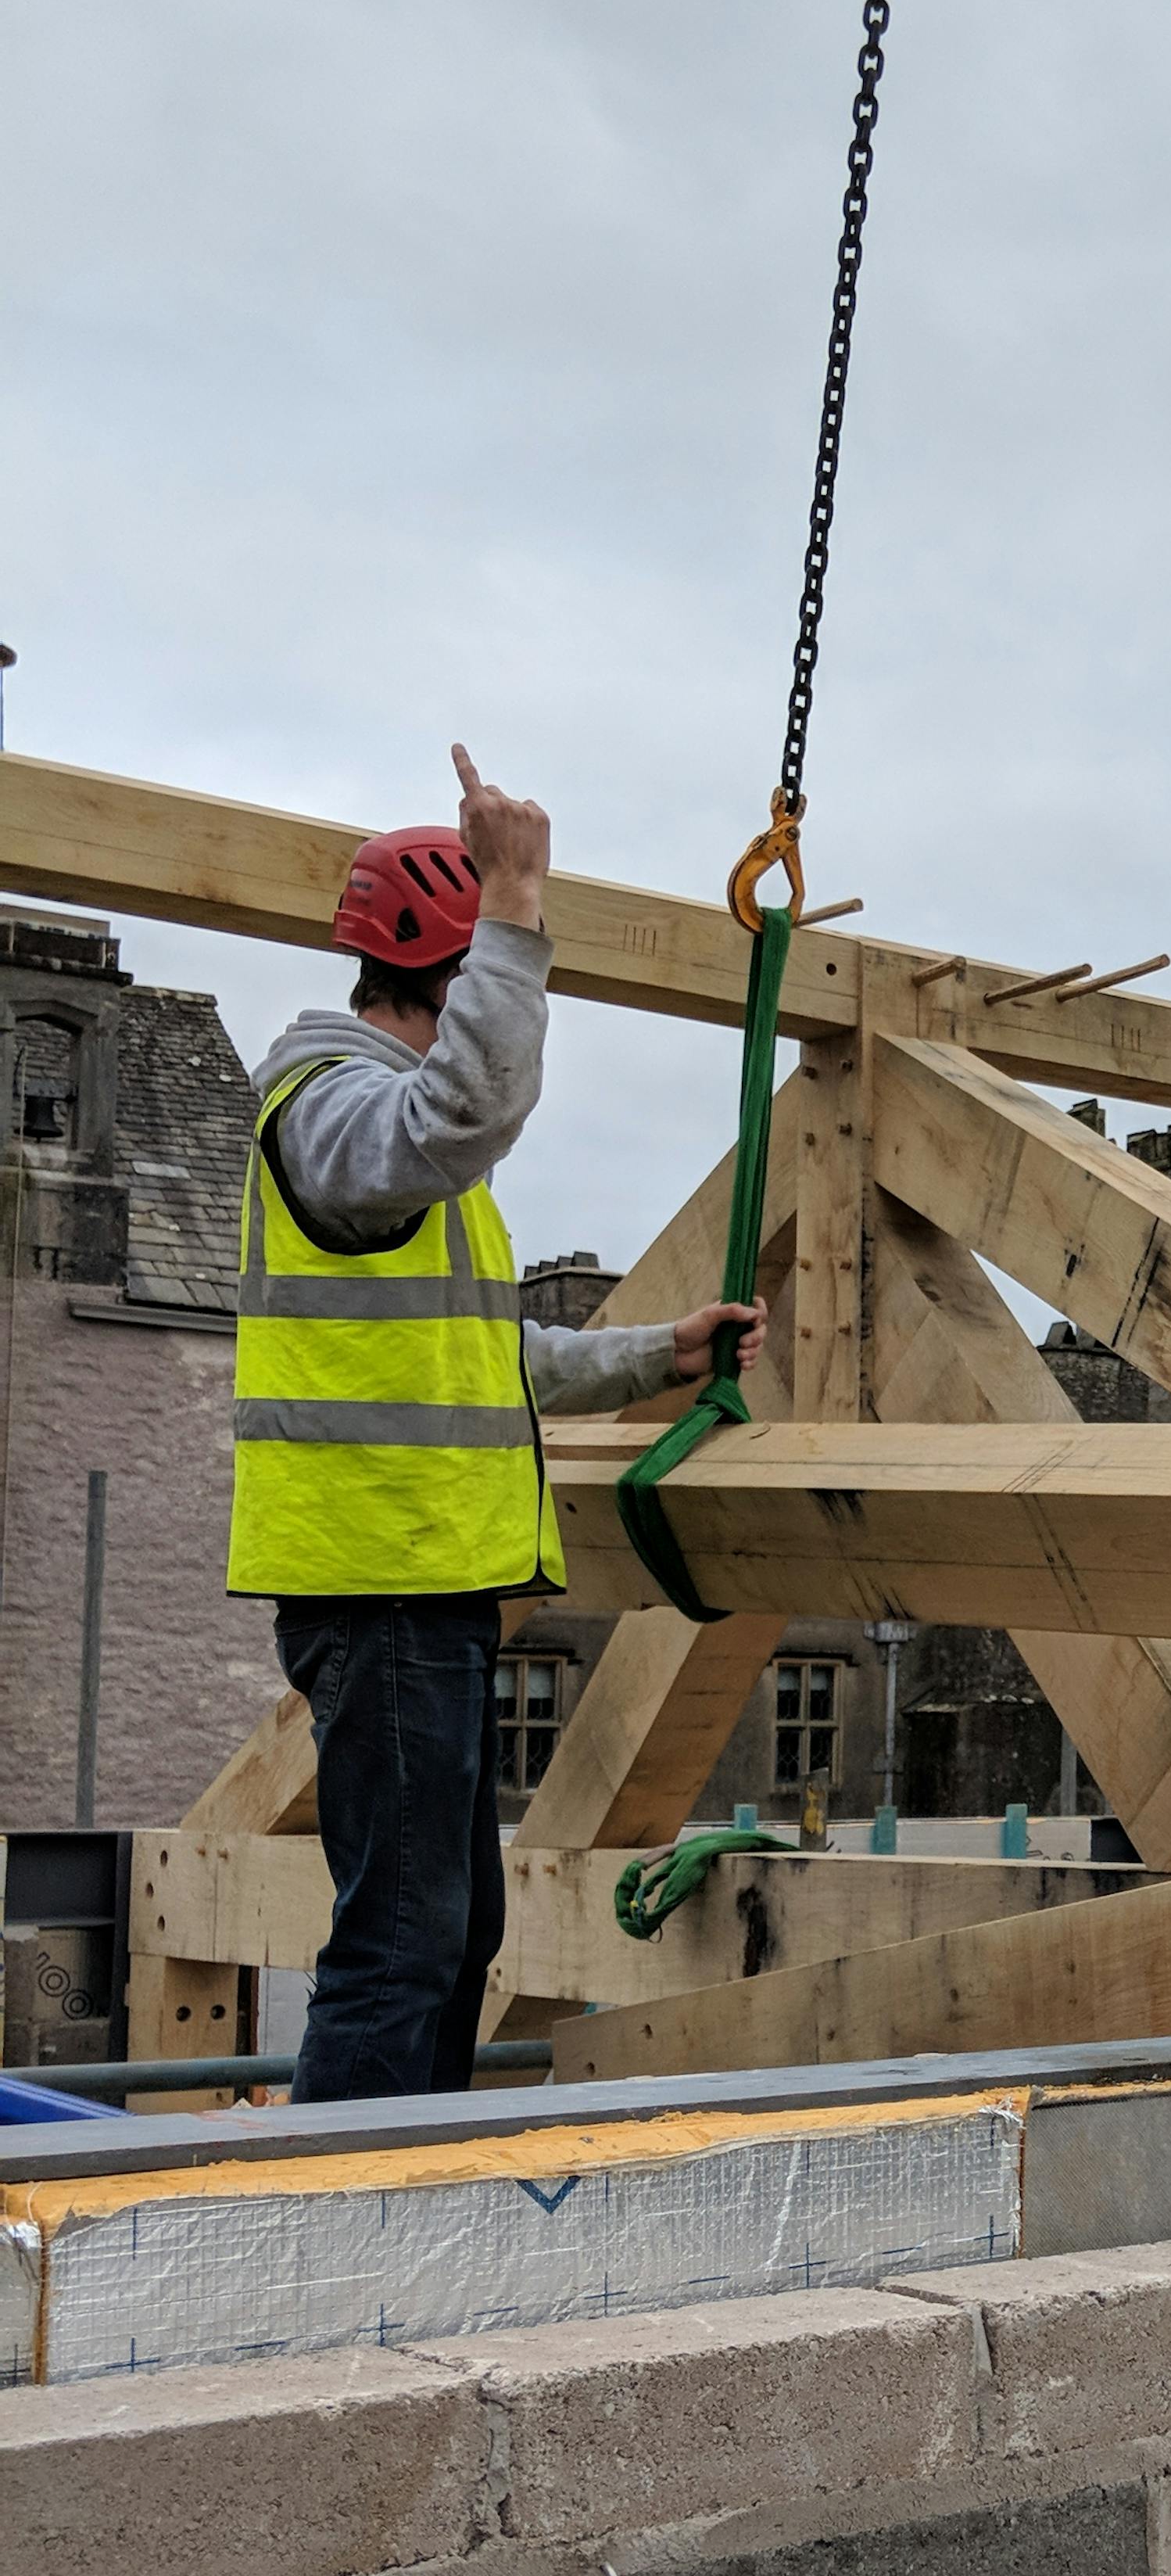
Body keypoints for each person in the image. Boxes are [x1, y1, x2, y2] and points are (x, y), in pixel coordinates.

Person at [228, 746, 767, 2101]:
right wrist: (519, 899)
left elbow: (486, 1358)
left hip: (424, 1589)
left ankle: (408, 2193)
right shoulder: (342, 1116)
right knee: (401, 1944)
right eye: (493, 966)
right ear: (450, 967)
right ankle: (338, 2236)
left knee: (454, 1929)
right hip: (387, 1584)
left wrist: (657, 1351)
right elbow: (465, 1111)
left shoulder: (372, 1142)